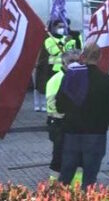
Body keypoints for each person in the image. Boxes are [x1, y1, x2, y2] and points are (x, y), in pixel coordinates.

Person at [56, 43, 109, 189]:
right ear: (100, 57)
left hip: (71, 133)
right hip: (96, 135)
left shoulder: (71, 77)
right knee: (89, 179)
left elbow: (59, 106)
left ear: (82, 56)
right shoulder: (107, 80)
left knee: (65, 177)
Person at [45, 50, 81, 180]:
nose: (75, 64)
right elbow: (53, 106)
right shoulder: (55, 80)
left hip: (76, 125)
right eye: (71, 61)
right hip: (60, 124)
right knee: (58, 159)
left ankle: (77, 188)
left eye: (78, 61)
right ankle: (54, 188)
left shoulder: (82, 78)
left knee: (78, 159)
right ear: (63, 63)